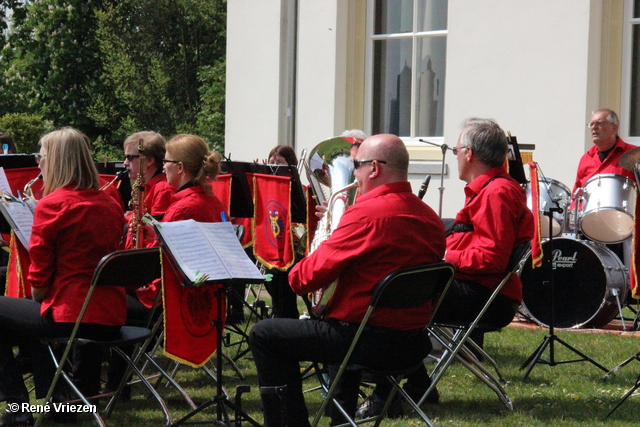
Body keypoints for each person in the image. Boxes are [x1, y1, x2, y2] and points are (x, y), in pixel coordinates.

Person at [249, 134, 446, 427]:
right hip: (412, 343)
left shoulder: (364, 215)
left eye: (357, 165)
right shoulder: (431, 218)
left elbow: (302, 280)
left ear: (375, 168)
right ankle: (339, 419)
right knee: (340, 317)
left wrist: (323, 241)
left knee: (264, 334)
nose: (354, 173)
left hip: (363, 340)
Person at [357, 118, 534, 418]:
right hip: (478, 289)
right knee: (397, 292)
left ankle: (387, 395)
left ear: (469, 153)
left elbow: (490, 258)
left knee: (394, 298)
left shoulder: (497, 193)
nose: (454, 154)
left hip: (487, 296)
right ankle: (416, 385)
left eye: (455, 148)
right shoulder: (492, 190)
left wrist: (440, 255)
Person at [0, 127, 127, 426]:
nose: (38, 163)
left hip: (72, 314)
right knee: (24, 320)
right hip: (111, 315)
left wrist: (39, 296)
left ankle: (18, 408)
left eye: (41, 157)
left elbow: (40, 285)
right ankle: (61, 401)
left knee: (19, 313)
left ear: (57, 161)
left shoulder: (52, 205)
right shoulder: (111, 202)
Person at [572, 108, 636, 193]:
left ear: (614, 128)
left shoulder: (634, 155)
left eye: (600, 123)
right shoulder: (586, 159)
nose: (594, 128)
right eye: (591, 124)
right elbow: (576, 196)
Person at [123, 131, 175, 219]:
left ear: (149, 160)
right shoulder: (143, 187)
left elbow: (157, 229)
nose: (125, 163)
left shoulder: (163, 190)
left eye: (130, 157)